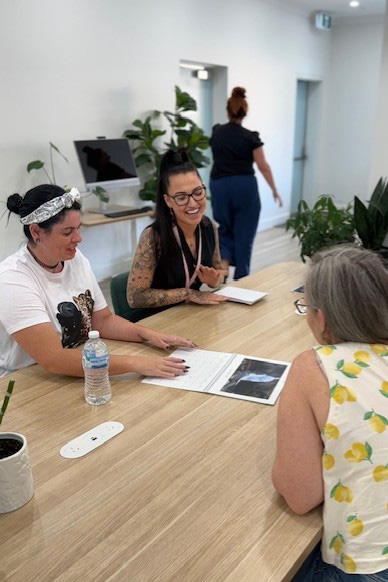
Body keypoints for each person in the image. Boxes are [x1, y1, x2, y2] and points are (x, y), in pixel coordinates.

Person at [272, 245, 388, 581]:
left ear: (321, 318)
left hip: (368, 567)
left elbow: (300, 496)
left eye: (304, 308)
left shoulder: (314, 366)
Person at [0, 184, 196, 379]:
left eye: (78, 228)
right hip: (25, 380)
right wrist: (135, 363)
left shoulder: (75, 259)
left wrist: (147, 334)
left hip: (75, 364)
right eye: (67, 232)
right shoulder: (13, 279)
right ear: (36, 232)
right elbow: (54, 359)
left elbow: (101, 320)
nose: (78, 239)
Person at [127, 149, 228, 316]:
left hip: (192, 315)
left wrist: (216, 278)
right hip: (157, 321)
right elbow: (135, 297)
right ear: (168, 201)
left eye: (198, 192)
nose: (193, 203)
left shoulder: (208, 226)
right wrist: (188, 293)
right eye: (181, 197)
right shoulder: (153, 236)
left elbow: (219, 270)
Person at [210, 86, 283, 280]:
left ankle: (222, 270)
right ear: (245, 112)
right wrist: (274, 189)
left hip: (219, 185)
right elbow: (263, 166)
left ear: (228, 110)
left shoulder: (216, 132)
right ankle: (242, 278)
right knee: (244, 234)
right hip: (244, 186)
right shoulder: (251, 137)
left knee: (224, 228)